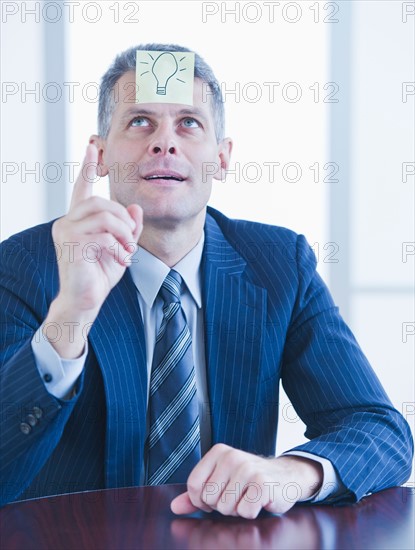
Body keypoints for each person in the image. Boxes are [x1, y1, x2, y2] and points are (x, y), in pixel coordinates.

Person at [0, 43, 413, 517]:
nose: (165, 143)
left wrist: (292, 473)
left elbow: (380, 430)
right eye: (140, 122)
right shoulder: (24, 265)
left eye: (188, 123)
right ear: (99, 154)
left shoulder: (280, 265)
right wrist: (69, 318)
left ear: (222, 156)